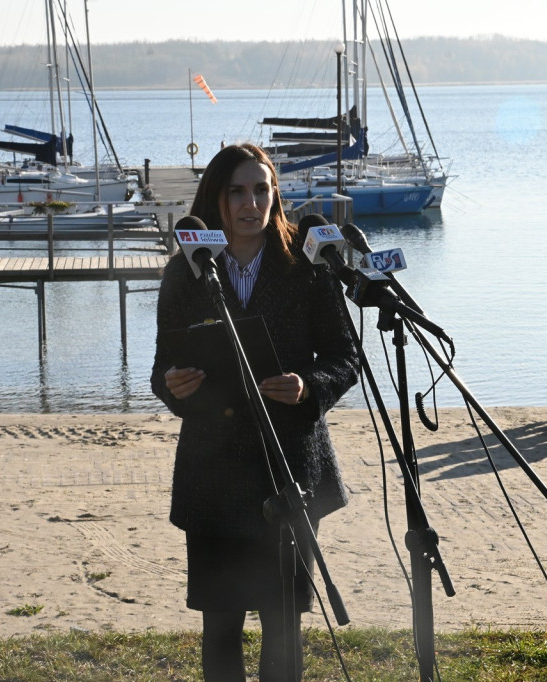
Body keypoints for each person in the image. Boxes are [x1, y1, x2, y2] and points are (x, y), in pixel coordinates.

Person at [150, 143, 359, 682]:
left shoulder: (307, 266)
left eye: (261, 190)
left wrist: (308, 385)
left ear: (275, 195)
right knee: (220, 629)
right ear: (216, 199)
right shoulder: (185, 273)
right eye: (237, 191)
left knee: (284, 625)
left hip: (288, 468)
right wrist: (175, 385)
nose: (251, 203)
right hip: (213, 474)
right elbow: (161, 373)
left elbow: (345, 356)